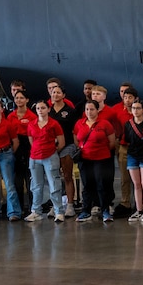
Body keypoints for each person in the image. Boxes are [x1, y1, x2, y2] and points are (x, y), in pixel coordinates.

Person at [75, 99, 118, 222]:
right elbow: (77, 140)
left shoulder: (105, 124)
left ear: (97, 110)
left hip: (101, 159)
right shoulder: (79, 123)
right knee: (87, 185)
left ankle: (105, 210)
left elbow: (112, 142)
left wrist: (101, 150)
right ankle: (86, 211)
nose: (89, 112)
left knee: (101, 184)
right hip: (85, 159)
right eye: (87, 109)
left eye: (92, 109)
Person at [24, 101, 66, 223]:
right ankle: (36, 211)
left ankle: (59, 211)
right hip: (34, 158)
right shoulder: (31, 125)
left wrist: (52, 150)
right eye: (38, 108)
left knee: (54, 184)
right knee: (36, 186)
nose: (40, 110)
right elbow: (31, 140)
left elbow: (61, 142)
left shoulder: (54, 124)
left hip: (50, 156)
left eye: (43, 108)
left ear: (48, 109)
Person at [46, 79, 81, 218]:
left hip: (67, 146)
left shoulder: (70, 111)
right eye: (53, 92)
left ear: (63, 95)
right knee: (53, 177)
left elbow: (75, 130)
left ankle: (70, 205)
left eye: (58, 92)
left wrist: (76, 146)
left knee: (67, 176)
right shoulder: (48, 111)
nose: (55, 94)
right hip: (51, 148)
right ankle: (56, 205)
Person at [10, 90, 36, 214]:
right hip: (15, 148)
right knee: (17, 181)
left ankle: (32, 208)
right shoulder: (11, 116)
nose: (19, 100)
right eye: (17, 98)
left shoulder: (32, 116)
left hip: (28, 148)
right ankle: (18, 208)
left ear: (27, 100)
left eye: (22, 98)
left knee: (30, 180)